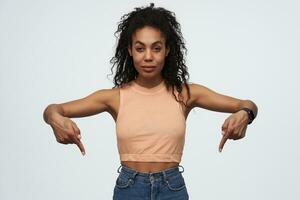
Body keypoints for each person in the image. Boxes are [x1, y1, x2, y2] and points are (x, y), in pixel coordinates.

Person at [43, 3, 258, 200]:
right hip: (129, 188)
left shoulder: (185, 94)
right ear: (130, 50)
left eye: (156, 48)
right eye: (140, 48)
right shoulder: (114, 98)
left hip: (171, 188)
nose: (148, 57)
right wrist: (55, 118)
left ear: (167, 50)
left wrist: (244, 115)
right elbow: (54, 109)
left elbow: (247, 104)